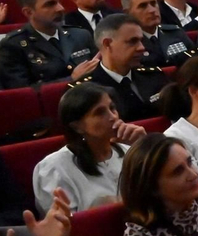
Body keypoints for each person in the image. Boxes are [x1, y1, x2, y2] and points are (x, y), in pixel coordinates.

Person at [33, 83, 144, 213]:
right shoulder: (54, 168)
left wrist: (145, 148)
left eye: (112, 108)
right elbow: (65, 227)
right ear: (77, 127)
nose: (113, 117)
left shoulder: (129, 151)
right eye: (100, 112)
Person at [0, 0, 99, 88]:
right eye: (50, 4)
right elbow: (22, 93)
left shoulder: (80, 35)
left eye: (59, 2)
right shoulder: (13, 45)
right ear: (28, 12)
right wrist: (71, 79)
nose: (60, 8)